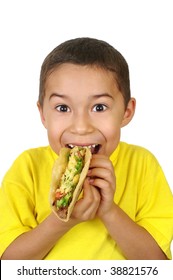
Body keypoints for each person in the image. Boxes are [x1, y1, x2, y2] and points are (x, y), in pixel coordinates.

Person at [0, 37, 173, 260]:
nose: (81, 127)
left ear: (127, 112)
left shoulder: (142, 164)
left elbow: (157, 264)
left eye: (99, 107)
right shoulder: (27, 168)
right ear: (43, 114)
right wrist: (63, 219)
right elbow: (8, 263)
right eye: (63, 108)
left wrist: (110, 211)